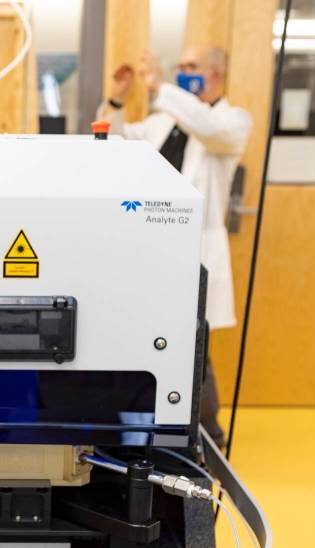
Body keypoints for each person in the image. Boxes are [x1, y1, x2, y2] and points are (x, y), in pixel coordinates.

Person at [98, 46, 252, 447]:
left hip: (198, 250)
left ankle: (207, 440)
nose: (184, 74)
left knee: (196, 351)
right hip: (152, 251)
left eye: (192, 68)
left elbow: (207, 126)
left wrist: (161, 84)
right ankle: (146, 430)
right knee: (151, 341)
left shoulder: (231, 122)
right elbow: (113, 142)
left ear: (216, 75)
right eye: (181, 68)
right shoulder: (163, 121)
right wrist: (116, 98)